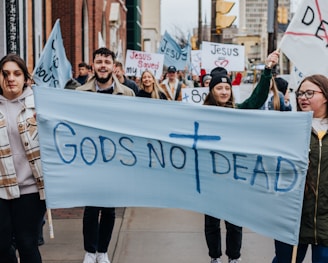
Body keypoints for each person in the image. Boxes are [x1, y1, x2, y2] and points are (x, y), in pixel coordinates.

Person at [203, 51, 280, 263]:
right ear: (212, 91)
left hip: (234, 177)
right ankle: (215, 257)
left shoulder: (238, 111)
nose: (224, 91)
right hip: (210, 177)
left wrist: (267, 70)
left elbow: (257, 98)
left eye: (227, 87)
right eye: (219, 87)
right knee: (211, 222)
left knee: (234, 222)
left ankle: (234, 258)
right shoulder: (201, 115)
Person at [76, 47, 135, 263]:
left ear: (114, 66)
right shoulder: (81, 93)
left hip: (116, 160)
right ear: (93, 65)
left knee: (109, 210)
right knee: (91, 208)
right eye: (99, 61)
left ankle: (103, 251)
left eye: (107, 62)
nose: (103, 65)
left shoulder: (127, 94)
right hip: (90, 159)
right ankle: (90, 251)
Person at [272, 74, 328, 263]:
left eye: (309, 93)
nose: (303, 97)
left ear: (326, 96)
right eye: (300, 93)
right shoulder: (291, 128)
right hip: (292, 217)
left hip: (325, 221)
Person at [0, 53, 46, 263]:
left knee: (27, 244)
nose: (11, 78)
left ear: (25, 78)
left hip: (30, 190)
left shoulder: (40, 105)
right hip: (1, 190)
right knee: (1, 247)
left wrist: (46, 123)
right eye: (5, 73)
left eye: (17, 73)